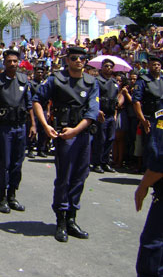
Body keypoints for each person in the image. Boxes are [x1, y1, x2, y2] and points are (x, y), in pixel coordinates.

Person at [33, 47, 99, 243]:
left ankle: (72, 218)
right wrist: (45, 125)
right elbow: (37, 100)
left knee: (80, 176)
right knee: (64, 178)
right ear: (67, 60)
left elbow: (92, 112)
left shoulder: (91, 81)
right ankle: (60, 220)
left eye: (82, 58)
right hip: (64, 135)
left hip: (82, 134)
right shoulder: (56, 79)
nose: (78, 60)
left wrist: (77, 130)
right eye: (74, 58)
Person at [0, 50, 36, 214]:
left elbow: (29, 105)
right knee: (4, 164)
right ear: (4, 63)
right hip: (4, 127)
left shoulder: (23, 80)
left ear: (19, 62)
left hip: (20, 126)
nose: (12, 64)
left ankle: (12, 196)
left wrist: (33, 125)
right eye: (9, 61)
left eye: (15, 61)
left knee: (17, 163)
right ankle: (2, 198)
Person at [133, 55, 163, 277]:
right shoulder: (144, 81)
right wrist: (143, 119)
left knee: (153, 244)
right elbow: (138, 101)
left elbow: (161, 162)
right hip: (152, 120)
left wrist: (143, 186)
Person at [90, 59, 118, 174]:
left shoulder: (114, 83)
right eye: (106, 66)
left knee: (110, 139)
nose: (109, 68)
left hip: (111, 114)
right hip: (101, 114)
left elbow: (116, 100)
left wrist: (115, 114)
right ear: (101, 67)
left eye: (111, 66)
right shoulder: (96, 81)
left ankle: (105, 162)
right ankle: (96, 163)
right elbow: (93, 97)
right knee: (99, 139)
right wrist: (98, 110)